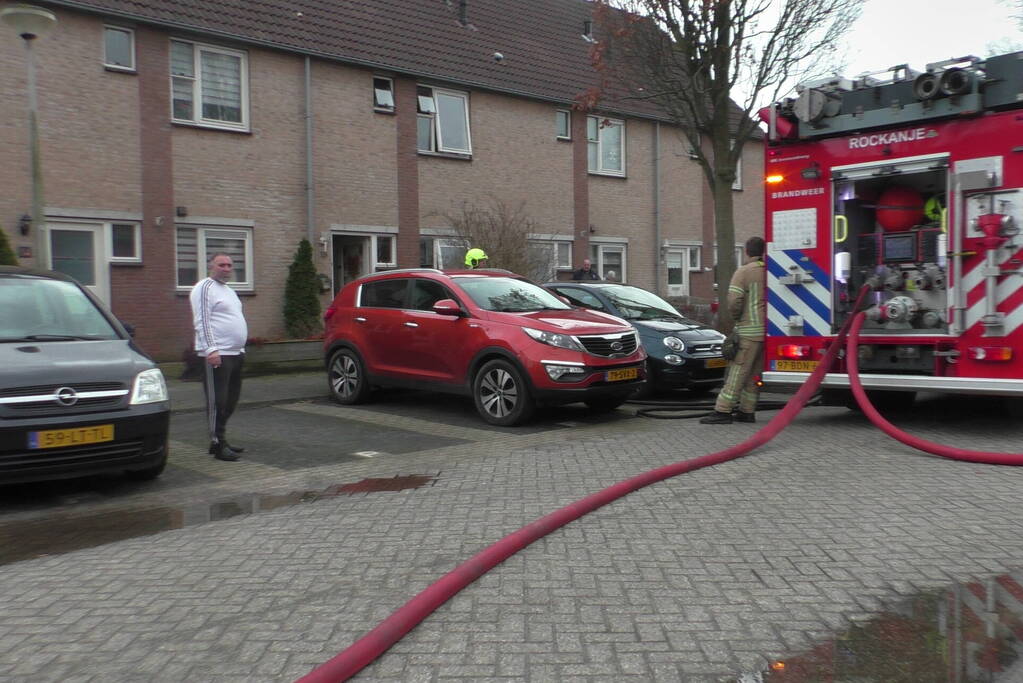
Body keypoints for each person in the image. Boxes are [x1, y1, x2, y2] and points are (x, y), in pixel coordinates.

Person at [700, 236, 766, 425]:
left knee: (737, 371)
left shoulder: (744, 272)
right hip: (766, 333)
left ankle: (723, 410)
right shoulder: (768, 271)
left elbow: (734, 301)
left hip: (748, 330)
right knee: (754, 374)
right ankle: (747, 411)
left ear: (747, 251)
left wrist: (737, 319)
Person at [190, 252, 248, 460]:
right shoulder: (204, 288)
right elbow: (202, 320)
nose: (226, 268)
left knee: (231, 401)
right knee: (217, 401)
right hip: (217, 354)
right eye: (221, 265)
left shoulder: (229, 291)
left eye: (229, 265)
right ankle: (217, 443)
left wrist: (241, 348)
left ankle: (221, 439)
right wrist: (211, 349)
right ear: (211, 266)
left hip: (235, 353)